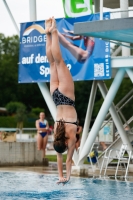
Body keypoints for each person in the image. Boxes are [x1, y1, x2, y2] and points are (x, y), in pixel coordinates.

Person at [45, 17, 78, 184]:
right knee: (52, 64)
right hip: (56, 97)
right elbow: (60, 159)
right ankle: (47, 34)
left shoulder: (70, 137)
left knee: (59, 62)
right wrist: (60, 176)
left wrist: (67, 177)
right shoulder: (57, 137)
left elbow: (67, 161)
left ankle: (54, 31)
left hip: (66, 97)